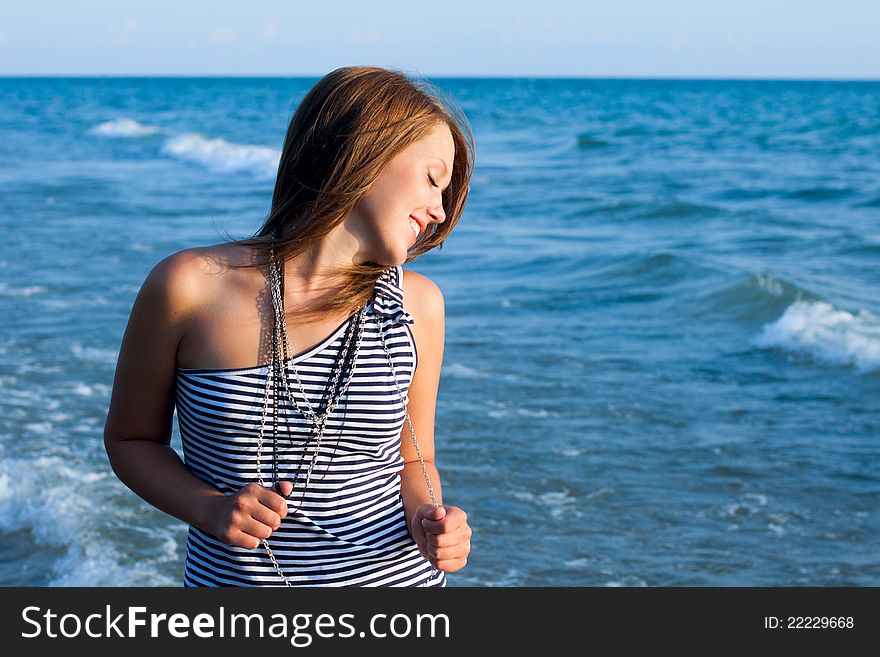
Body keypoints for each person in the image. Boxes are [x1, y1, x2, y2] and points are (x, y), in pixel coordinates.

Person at [103, 66, 475, 586]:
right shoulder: (189, 286)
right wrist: (209, 509)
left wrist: (429, 519)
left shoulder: (419, 305)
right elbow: (131, 440)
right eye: (435, 179)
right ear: (364, 151)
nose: (439, 210)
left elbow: (417, 461)